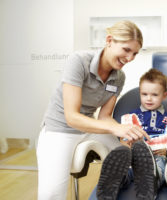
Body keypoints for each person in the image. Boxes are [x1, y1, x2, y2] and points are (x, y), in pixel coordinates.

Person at [36, 20, 149, 200]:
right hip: (60, 129)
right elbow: (71, 117)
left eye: (134, 53)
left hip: (90, 129)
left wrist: (126, 133)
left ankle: (124, 181)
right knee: (51, 195)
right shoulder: (79, 61)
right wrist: (116, 129)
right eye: (126, 50)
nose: (130, 58)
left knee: (126, 154)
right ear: (109, 40)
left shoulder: (119, 77)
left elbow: (104, 117)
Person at [97, 68, 167, 200]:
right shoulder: (131, 116)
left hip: (157, 156)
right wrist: (127, 145)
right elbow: (123, 141)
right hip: (135, 156)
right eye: (144, 94)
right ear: (140, 93)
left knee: (161, 166)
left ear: (164, 95)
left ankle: (150, 185)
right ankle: (116, 181)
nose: (149, 98)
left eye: (154, 95)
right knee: (129, 167)